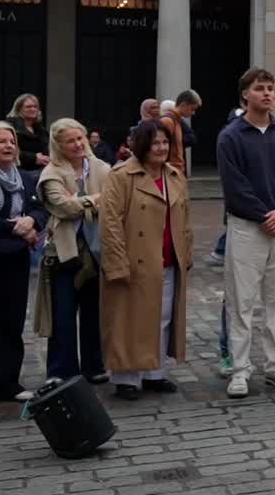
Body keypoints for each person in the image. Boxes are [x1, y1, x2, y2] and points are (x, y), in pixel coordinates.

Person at [217, 67, 275, 398]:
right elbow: (234, 186)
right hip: (246, 228)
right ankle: (239, 370)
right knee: (242, 302)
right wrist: (262, 215)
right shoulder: (231, 136)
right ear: (245, 94)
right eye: (260, 88)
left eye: (271, 88)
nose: (267, 93)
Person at [99, 119, 192, 400]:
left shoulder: (175, 176)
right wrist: (116, 262)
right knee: (128, 319)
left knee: (162, 317)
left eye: (165, 142)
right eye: (155, 143)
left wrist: (185, 252)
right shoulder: (121, 175)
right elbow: (110, 221)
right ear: (141, 145)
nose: (161, 148)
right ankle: (126, 378)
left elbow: (185, 219)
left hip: (167, 258)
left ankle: (155, 372)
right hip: (132, 260)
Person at [36, 118, 111, 384]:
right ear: (59, 145)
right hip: (63, 253)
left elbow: (115, 199)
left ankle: (94, 366)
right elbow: (61, 206)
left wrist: (80, 201)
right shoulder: (52, 172)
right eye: (71, 140)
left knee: (94, 313)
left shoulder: (102, 168)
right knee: (63, 315)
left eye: (81, 137)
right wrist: (96, 200)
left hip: (96, 251)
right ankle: (60, 371)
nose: (79, 144)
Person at [0, 121, 45, 409]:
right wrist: (14, 228)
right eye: (0, 141)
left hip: (16, 258)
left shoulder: (23, 177)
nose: (9, 146)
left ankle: (9, 383)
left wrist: (32, 221)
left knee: (11, 321)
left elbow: (39, 207)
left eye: (11, 141)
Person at [159, 89, 202, 175]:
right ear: (183, 104)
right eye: (192, 109)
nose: (193, 113)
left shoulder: (176, 120)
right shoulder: (168, 120)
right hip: (170, 172)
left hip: (176, 171)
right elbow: (160, 150)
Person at [6, 93, 48, 172]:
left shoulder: (41, 130)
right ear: (18, 109)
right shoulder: (10, 127)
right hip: (18, 171)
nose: (33, 109)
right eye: (28, 107)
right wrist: (33, 158)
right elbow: (8, 150)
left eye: (35, 106)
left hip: (42, 170)